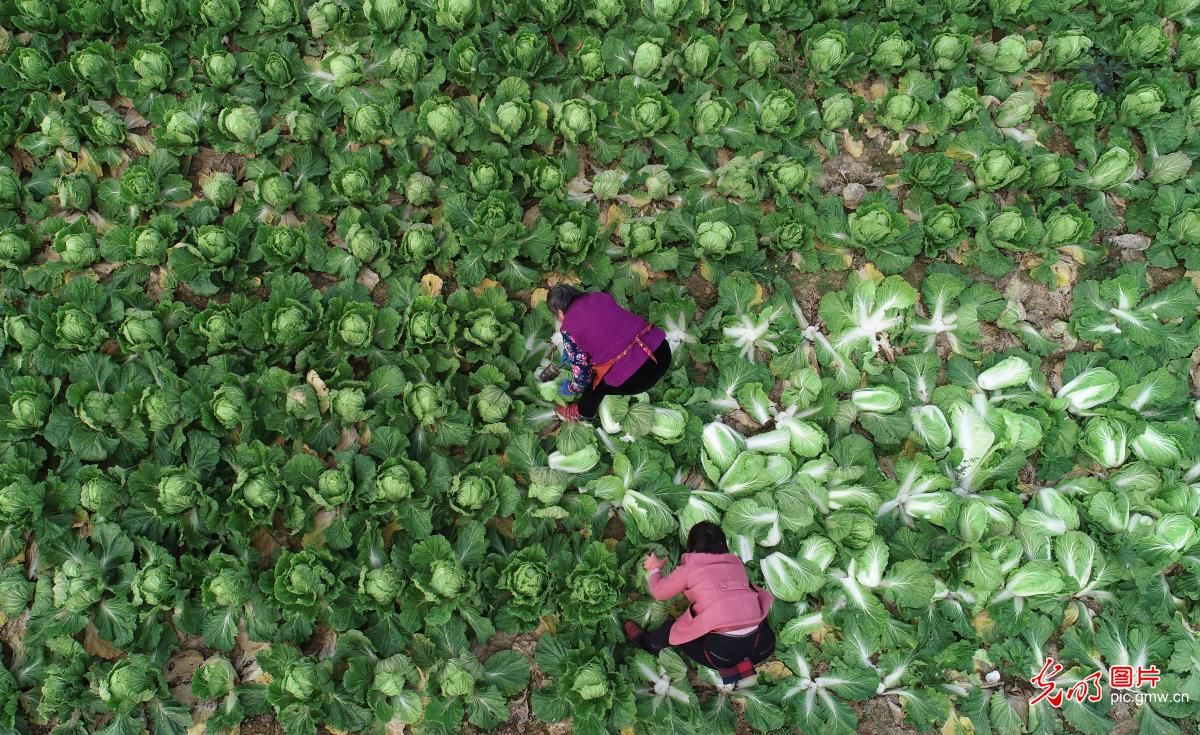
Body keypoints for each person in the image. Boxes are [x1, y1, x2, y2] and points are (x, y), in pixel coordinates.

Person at [624, 522, 776, 679]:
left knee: (675, 629)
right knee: (741, 612)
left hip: (722, 655)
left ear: (692, 547)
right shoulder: (736, 563)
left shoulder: (690, 569)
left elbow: (659, 592)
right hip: (763, 646)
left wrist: (654, 567)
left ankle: (647, 642)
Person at [547, 284, 672, 423]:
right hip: (662, 352)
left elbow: (582, 377)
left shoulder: (568, 330)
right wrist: (573, 350)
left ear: (559, 312)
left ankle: (583, 412)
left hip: (639, 380)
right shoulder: (600, 297)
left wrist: (572, 388)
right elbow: (607, 328)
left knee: (593, 384)